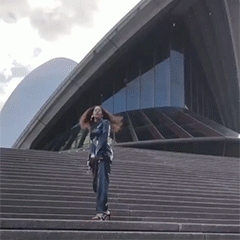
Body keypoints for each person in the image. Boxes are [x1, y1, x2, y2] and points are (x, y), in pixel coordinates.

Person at [80, 105, 123, 220]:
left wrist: (98, 154)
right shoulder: (91, 127)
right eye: (95, 110)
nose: (97, 111)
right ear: (92, 115)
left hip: (104, 156)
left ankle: (101, 212)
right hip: (94, 158)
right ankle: (106, 209)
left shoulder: (105, 123)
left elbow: (103, 139)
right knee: (96, 186)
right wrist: (90, 159)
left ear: (102, 114)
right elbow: (93, 144)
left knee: (102, 184)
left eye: (99, 110)